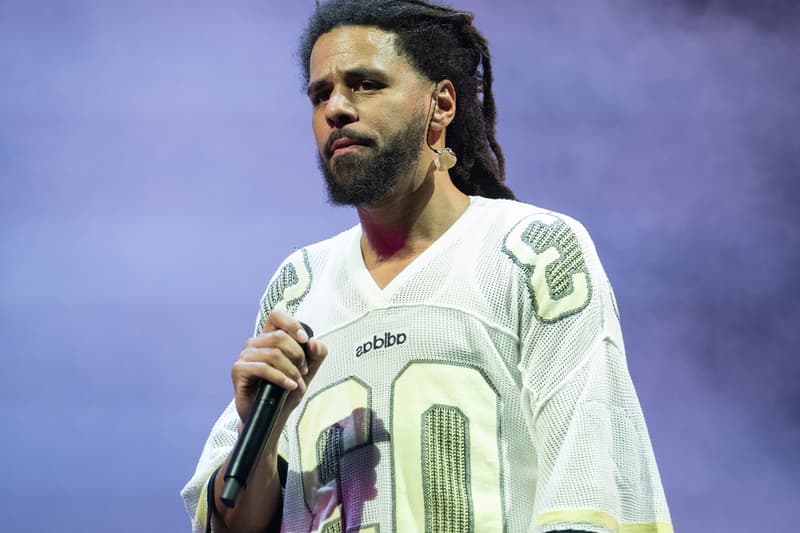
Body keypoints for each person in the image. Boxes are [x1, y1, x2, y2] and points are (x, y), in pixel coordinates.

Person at [182, 1, 673, 532]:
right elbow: (233, 523)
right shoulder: (299, 285)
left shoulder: (532, 251)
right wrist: (265, 428)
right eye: (320, 93)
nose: (336, 109)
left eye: (365, 84)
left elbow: (591, 483)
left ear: (440, 105)